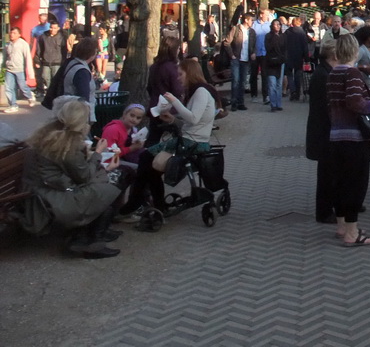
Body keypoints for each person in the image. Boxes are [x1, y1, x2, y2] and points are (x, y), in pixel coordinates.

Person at [21, 98, 123, 258]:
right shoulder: (67, 144)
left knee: (104, 181)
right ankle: (90, 242)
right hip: (48, 196)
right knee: (108, 187)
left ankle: (91, 234)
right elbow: (84, 176)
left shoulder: (51, 132)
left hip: (43, 188)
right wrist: (98, 153)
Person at [125, 57, 217, 214]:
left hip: (191, 142)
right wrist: (173, 119)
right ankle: (150, 203)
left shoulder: (201, 91)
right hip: (190, 139)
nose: (178, 78)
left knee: (146, 159)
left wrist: (175, 101)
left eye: (181, 74)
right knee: (148, 163)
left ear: (189, 73)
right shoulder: (198, 91)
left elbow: (193, 118)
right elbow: (193, 121)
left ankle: (137, 203)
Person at [326, 33, 370, 246]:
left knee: (340, 183)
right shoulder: (352, 73)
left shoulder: (333, 73)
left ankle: (342, 226)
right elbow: (354, 101)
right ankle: (352, 232)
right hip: (354, 137)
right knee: (355, 185)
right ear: (353, 51)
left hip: (336, 135)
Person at [306, 42, 341, 223]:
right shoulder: (324, 75)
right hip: (324, 132)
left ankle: (329, 207)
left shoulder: (324, 72)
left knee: (329, 172)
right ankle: (325, 211)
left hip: (324, 130)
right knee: (327, 174)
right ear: (334, 56)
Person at [226, 13, 256, 112]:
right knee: (236, 81)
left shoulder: (252, 32)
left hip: (246, 59)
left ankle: (241, 102)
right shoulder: (236, 29)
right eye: (251, 20)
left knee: (243, 82)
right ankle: (234, 102)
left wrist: (253, 53)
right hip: (237, 59)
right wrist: (232, 55)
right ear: (246, 20)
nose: (253, 22)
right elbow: (226, 42)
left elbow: (254, 44)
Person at [147, 36, 185, 111]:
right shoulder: (172, 68)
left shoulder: (153, 66)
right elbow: (177, 89)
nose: (178, 51)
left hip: (154, 105)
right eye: (178, 49)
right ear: (174, 50)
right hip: (170, 107)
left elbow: (149, 88)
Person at [4, 27, 37, 111]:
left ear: (19, 35)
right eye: (11, 33)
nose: (12, 35)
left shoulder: (23, 44)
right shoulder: (7, 45)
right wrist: (3, 67)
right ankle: (13, 105)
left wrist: (30, 73)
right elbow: (5, 57)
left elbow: (28, 58)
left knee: (22, 86)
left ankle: (30, 96)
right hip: (9, 70)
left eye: (14, 33)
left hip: (19, 70)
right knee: (8, 88)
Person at [35, 19, 67, 93]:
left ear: (58, 28)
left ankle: (55, 93)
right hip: (46, 61)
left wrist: (64, 61)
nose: (52, 30)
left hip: (57, 62)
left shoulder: (62, 37)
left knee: (56, 78)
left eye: (55, 28)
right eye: (51, 27)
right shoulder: (43, 36)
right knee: (45, 77)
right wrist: (37, 60)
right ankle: (50, 92)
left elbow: (64, 50)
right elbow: (39, 49)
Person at [264, 18, 287, 110]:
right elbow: (268, 48)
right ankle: (273, 104)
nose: (277, 26)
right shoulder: (268, 36)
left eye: (279, 24)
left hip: (280, 62)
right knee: (272, 83)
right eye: (275, 24)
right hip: (270, 62)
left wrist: (284, 58)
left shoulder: (283, 36)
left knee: (279, 84)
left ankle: (278, 104)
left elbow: (285, 49)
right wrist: (274, 38)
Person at [252, 9, 273, 104]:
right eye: (266, 15)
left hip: (265, 53)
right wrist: (252, 51)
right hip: (255, 53)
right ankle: (254, 94)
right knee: (253, 75)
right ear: (261, 15)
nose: (267, 16)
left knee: (265, 75)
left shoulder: (269, 25)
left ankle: (266, 96)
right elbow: (250, 39)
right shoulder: (254, 25)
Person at [284, 16, 308, 102]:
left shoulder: (287, 32)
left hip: (289, 56)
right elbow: (305, 47)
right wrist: (307, 58)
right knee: (298, 75)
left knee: (289, 74)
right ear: (300, 23)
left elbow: (284, 44)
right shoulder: (302, 33)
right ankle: (297, 93)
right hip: (299, 56)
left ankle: (292, 90)